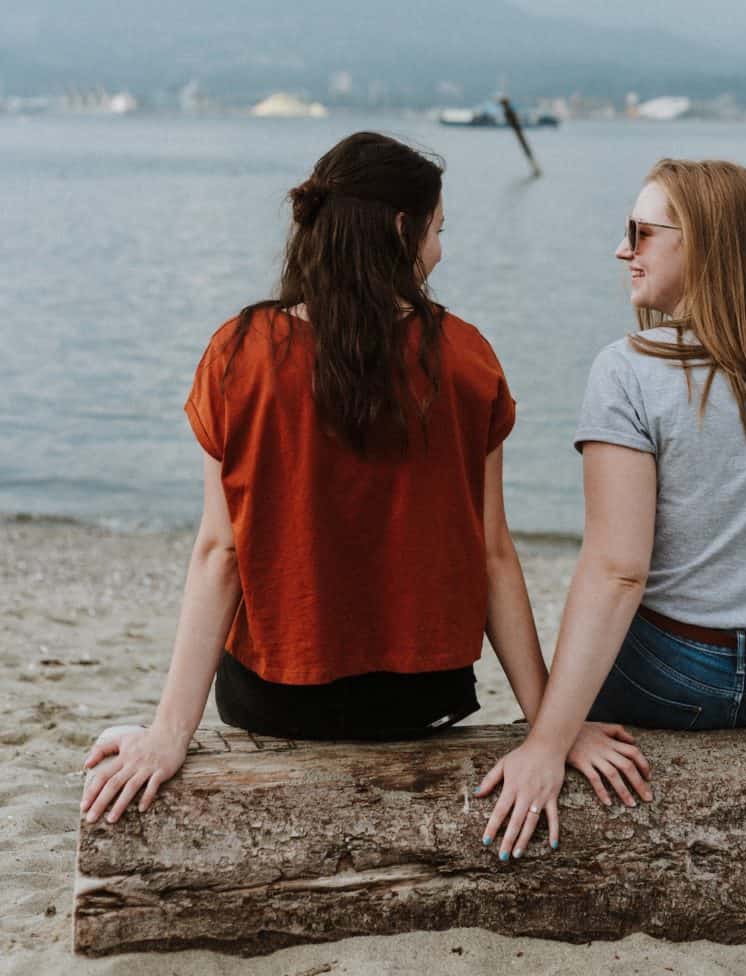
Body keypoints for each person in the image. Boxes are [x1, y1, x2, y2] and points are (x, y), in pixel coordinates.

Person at [80, 132, 648, 827]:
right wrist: (549, 730)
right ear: (403, 231)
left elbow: (219, 553)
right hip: (420, 703)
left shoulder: (238, 355)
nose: (441, 250)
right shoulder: (466, 359)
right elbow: (494, 554)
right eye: (439, 230)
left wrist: (170, 731)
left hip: (274, 702)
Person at [475, 159, 746, 860]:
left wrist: (547, 742)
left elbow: (617, 573)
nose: (622, 250)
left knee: (596, 620)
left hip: (671, 680)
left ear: (700, 244)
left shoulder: (630, 370)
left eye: (639, 233)